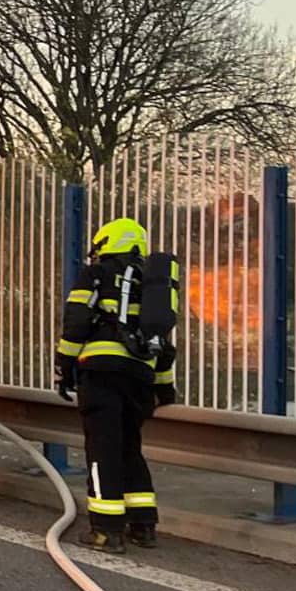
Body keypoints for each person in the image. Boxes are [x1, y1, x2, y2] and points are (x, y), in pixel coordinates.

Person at [56, 217, 179, 554]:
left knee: (102, 450)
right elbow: (164, 346)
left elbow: (77, 321)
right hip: (140, 379)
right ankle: (143, 526)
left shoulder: (97, 274)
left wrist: (64, 367)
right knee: (129, 448)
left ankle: (106, 530)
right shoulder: (155, 284)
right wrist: (165, 390)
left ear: (108, 243)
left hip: (102, 374)